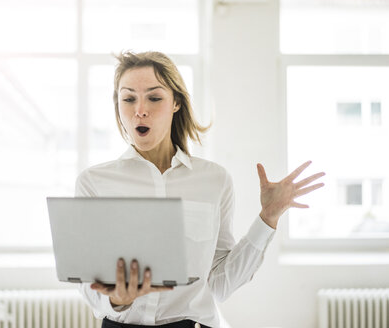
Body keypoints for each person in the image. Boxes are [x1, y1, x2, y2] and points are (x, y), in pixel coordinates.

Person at [75, 51, 325, 328]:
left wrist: (269, 218)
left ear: (176, 103)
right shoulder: (93, 182)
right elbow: (88, 284)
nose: (140, 110)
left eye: (154, 97)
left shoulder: (214, 180)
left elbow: (219, 285)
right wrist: (117, 299)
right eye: (129, 98)